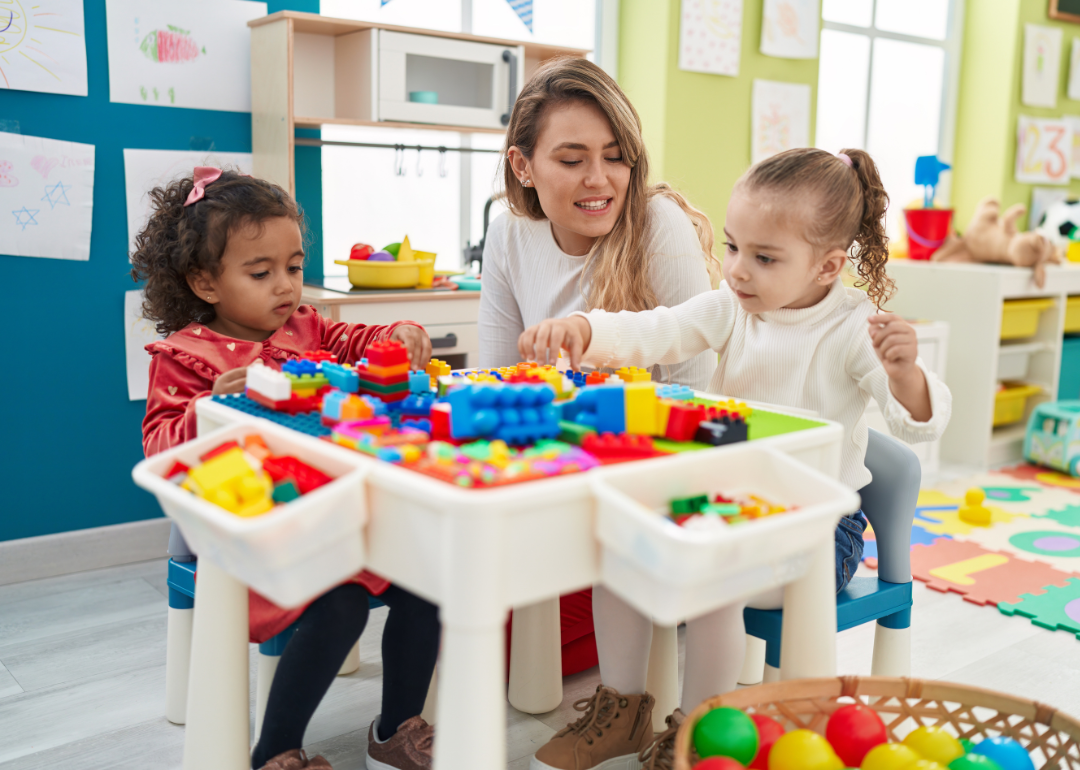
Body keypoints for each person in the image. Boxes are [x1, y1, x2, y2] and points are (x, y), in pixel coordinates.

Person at [518, 148, 952, 770]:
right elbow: (660, 328)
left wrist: (906, 375)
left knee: (710, 585)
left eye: (765, 257)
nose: (739, 270)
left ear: (828, 265)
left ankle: (695, 732)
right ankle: (622, 711)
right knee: (619, 556)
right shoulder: (732, 306)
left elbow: (920, 424)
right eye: (731, 247)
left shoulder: (854, 328)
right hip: (730, 508)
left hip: (817, 531)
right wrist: (587, 330)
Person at [132, 167, 440, 770]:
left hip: (330, 513)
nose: (285, 287)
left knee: (426, 580)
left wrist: (398, 332)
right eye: (260, 272)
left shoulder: (307, 327)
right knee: (341, 606)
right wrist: (211, 408)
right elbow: (161, 451)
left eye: (294, 268)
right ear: (205, 281)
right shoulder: (185, 356)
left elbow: (361, 338)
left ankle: (394, 728)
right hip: (241, 530)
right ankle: (275, 752)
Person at [479, 56, 720, 392]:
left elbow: (695, 391)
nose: (597, 178)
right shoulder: (507, 234)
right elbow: (496, 382)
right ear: (522, 166)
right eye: (572, 160)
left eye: (615, 156)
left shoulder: (659, 223)